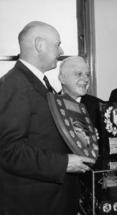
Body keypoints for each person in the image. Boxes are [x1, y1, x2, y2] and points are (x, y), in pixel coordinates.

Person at [0, 21, 94, 215]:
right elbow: (8, 150)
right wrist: (64, 163)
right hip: (32, 204)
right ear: (40, 45)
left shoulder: (37, 82)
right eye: (57, 44)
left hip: (52, 199)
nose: (61, 50)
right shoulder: (14, 85)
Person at [58, 56, 103, 128]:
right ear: (62, 78)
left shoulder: (100, 107)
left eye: (87, 75)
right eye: (79, 74)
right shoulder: (50, 104)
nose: (86, 79)